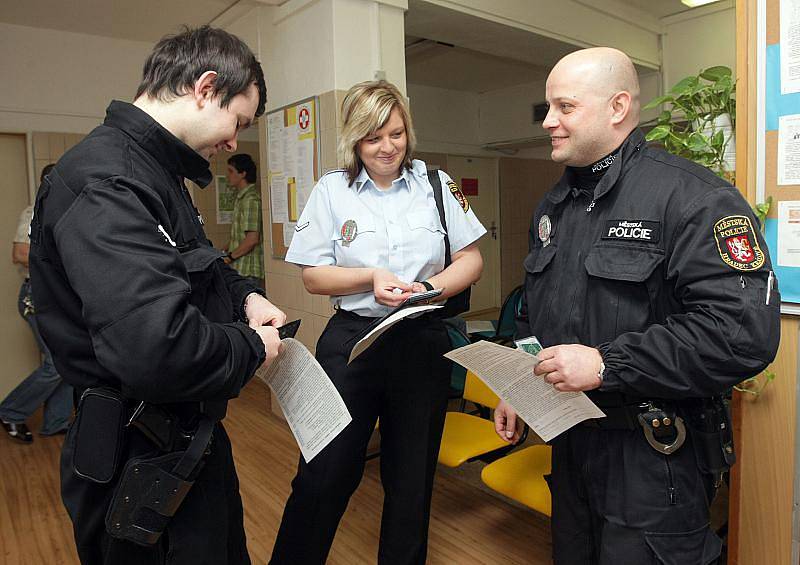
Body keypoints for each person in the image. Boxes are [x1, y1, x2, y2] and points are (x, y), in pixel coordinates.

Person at [494, 47, 780, 564]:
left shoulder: (693, 198)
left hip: (653, 456)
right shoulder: (554, 206)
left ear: (618, 107)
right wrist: (523, 382)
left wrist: (607, 364)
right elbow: (540, 314)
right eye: (548, 109)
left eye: (564, 107)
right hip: (573, 443)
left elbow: (741, 334)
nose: (549, 123)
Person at [29, 26, 286, 565]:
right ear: (205, 87)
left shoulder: (158, 173)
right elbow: (160, 348)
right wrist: (253, 348)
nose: (236, 142)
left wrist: (244, 299)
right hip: (136, 458)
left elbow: (194, 267)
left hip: (182, 444)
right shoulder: (108, 180)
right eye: (239, 120)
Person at [271, 80, 485, 565]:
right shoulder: (332, 189)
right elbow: (312, 276)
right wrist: (371, 278)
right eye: (373, 138)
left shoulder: (438, 184)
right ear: (354, 140)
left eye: (396, 134)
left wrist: (433, 289)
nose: (387, 147)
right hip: (352, 343)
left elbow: (470, 259)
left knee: (411, 480)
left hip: (421, 339)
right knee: (324, 472)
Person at [0, 164, 73, 443]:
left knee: (67, 359)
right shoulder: (34, 213)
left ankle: (55, 421)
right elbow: (19, 253)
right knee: (56, 364)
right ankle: (11, 412)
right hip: (37, 295)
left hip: (59, 296)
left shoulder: (65, 213)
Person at [223, 153, 264, 288]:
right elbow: (240, 236)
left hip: (248, 270)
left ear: (242, 174)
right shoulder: (242, 198)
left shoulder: (251, 199)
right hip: (239, 268)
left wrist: (229, 258)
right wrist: (223, 251)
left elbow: (252, 239)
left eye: (231, 171)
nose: (227, 175)